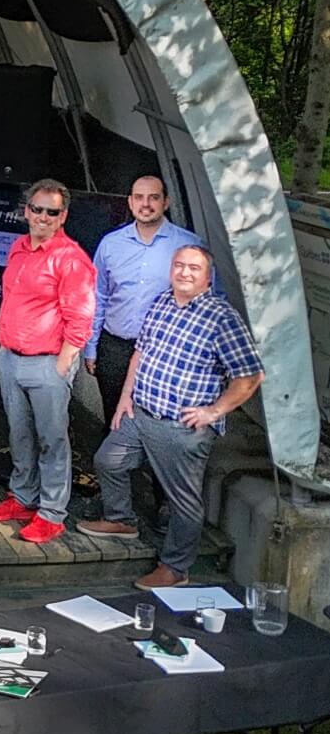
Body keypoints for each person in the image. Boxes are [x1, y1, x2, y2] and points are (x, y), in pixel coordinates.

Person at [81, 246, 264, 590]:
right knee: (108, 460)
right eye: (179, 265)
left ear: (208, 276)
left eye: (194, 268)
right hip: (141, 413)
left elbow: (251, 375)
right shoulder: (163, 301)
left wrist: (215, 411)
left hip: (182, 427)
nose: (184, 272)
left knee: (183, 501)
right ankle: (122, 520)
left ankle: (176, 567)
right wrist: (125, 399)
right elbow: (140, 352)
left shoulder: (221, 317)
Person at [0, 178, 96, 545]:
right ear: (26, 211)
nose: (43, 217)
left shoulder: (71, 258)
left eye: (52, 211)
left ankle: (51, 514)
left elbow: (80, 315)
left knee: (51, 440)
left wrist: (64, 363)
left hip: (48, 361)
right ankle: (23, 497)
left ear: (63, 216)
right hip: (11, 357)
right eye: (37, 209)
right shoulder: (18, 247)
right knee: (19, 433)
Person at [87, 175, 202, 428]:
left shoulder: (189, 246)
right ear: (130, 202)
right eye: (139, 197)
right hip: (115, 348)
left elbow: (207, 303)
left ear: (166, 202)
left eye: (154, 197)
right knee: (114, 417)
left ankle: (151, 467)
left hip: (164, 353)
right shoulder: (110, 244)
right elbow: (99, 297)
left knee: (159, 423)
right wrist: (92, 346)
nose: (146, 203)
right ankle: (118, 467)